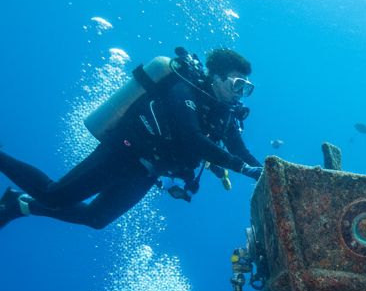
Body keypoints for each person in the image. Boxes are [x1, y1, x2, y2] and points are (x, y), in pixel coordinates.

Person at [0, 48, 263, 232]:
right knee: (55, 196)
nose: (241, 93)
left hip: (147, 171)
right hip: (123, 152)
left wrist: (264, 170)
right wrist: (243, 169)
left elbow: (240, 150)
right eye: (238, 84)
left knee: (97, 219)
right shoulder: (184, 89)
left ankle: (19, 204)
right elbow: (193, 140)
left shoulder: (223, 114)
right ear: (216, 77)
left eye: (247, 89)